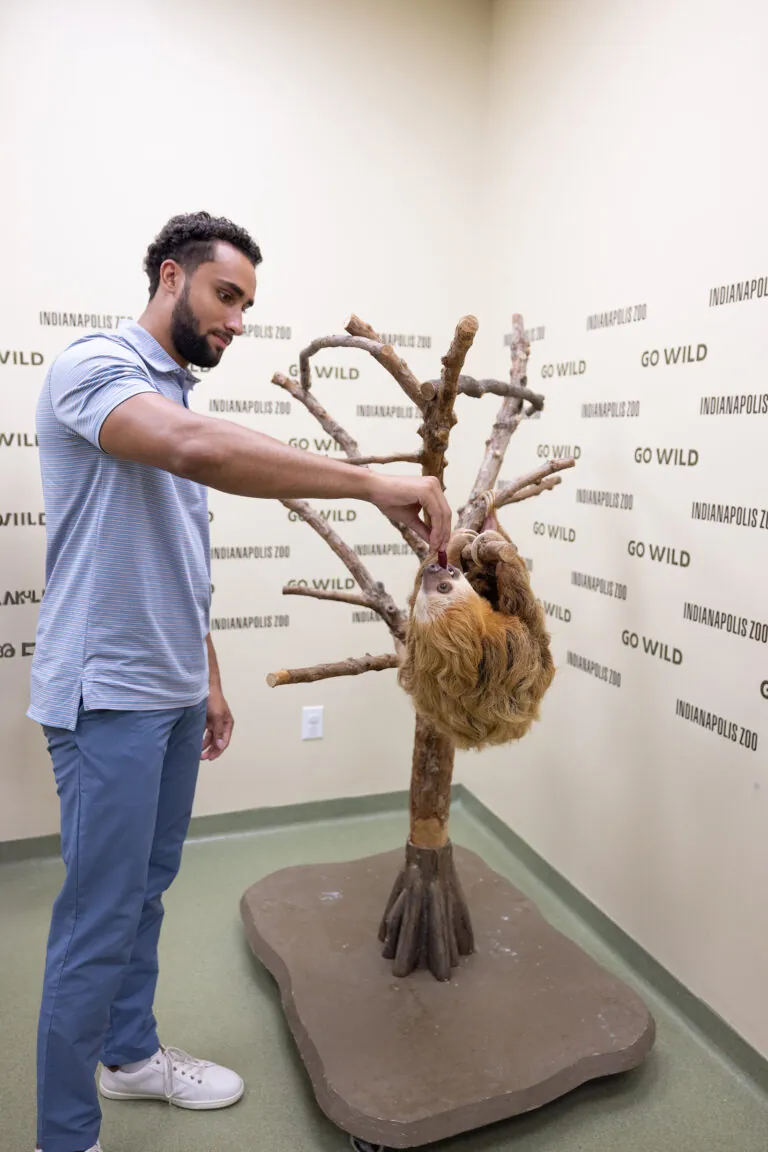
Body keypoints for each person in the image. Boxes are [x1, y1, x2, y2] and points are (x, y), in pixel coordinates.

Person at [28, 210, 452, 1152]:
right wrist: (372, 479)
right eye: (227, 296)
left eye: (249, 306)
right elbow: (195, 451)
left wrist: (207, 676)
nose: (238, 320)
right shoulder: (96, 370)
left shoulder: (172, 388)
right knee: (98, 916)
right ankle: (67, 1136)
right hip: (108, 697)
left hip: (171, 689)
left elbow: (173, 555)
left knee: (147, 890)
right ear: (171, 276)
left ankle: (130, 1056)